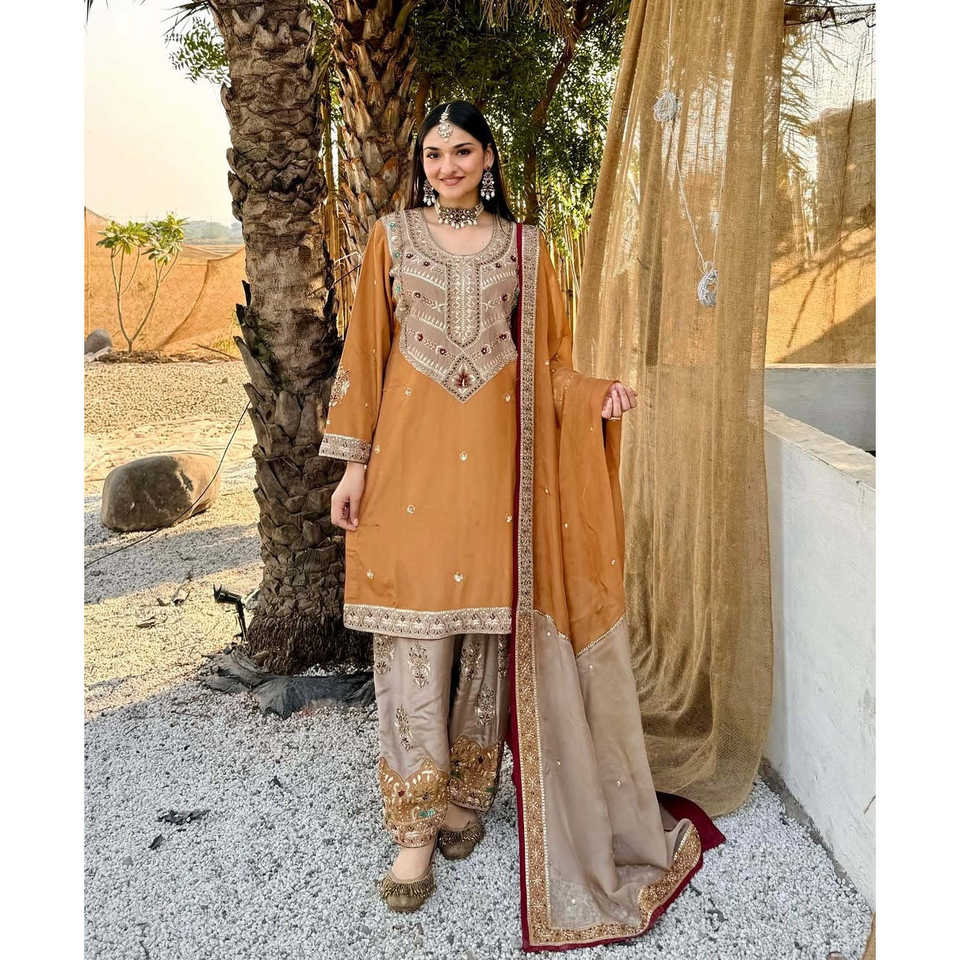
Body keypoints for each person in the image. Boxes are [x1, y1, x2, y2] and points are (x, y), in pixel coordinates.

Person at [320, 101, 724, 951]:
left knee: (486, 640)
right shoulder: (391, 238)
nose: (447, 166)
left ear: (489, 157)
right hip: (408, 470)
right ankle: (414, 828)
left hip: (502, 474)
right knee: (412, 635)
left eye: (462, 150)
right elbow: (364, 353)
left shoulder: (527, 248)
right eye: (434, 153)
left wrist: (595, 398)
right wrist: (352, 466)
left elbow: (549, 365)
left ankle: (465, 798)